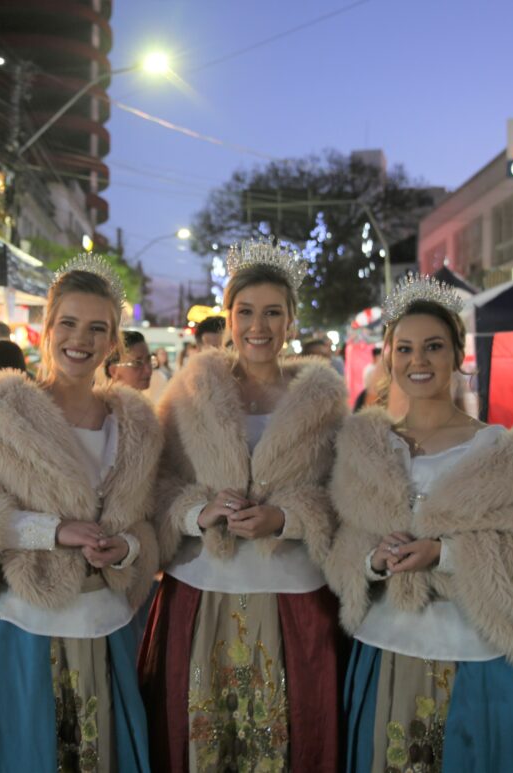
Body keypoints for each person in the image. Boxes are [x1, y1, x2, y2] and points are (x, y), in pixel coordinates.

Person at [0, 258, 161, 770]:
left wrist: (128, 547)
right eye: (69, 323)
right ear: (47, 329)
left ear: (113, 340)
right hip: (21, 626)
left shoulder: (136, 424)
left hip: (107, 622)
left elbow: (145, 521)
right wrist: (52, 532)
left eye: (98, 328)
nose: (82, 339)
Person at [326, 276, 513, 773]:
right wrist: (373, 560)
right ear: (389, 356)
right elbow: (343, 550)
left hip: (476, 657)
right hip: (386, 650)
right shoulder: (366, 451)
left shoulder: (501, 452)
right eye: (406, 348)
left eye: (433, 347)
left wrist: (445, 554)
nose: (419, 361)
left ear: (457, 354)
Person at [139, 239, 349, 772]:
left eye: (273, 312)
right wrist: (198, 513)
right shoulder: (190, 395)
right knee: (203, 740)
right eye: (246, 311)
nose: (259, 326)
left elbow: (348, 498)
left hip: (294, 597)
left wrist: (288, 518)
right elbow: (156, 486)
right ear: (228, 318)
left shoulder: (323, 401)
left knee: (287, 738)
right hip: (202, 593)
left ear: (291, 320)